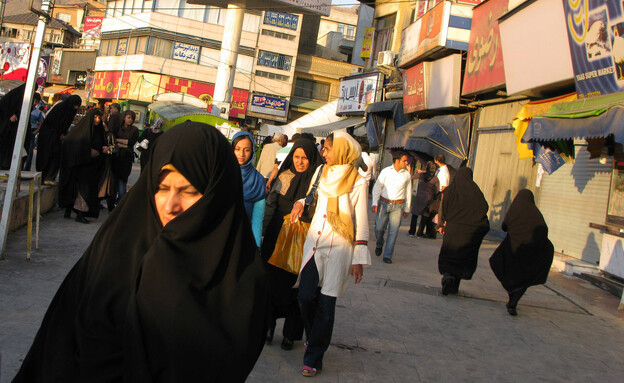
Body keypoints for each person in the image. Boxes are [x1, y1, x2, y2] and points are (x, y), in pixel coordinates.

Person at [12, 121, 268, 382]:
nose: (170, 205)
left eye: (189, 191)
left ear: (217, 193)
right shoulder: (114, 247)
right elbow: (59, 346)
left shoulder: (242, 281)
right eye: (162, 188)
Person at [290, 131, 370, 377]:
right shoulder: (320, 172)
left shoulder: (358, 180)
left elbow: (363, 221)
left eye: (327, 149)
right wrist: (301, 202)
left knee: (326, 304)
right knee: (305, 296)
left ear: (342, 150)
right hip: (315, 242)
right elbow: (314, 197)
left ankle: (313, 356)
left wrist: (359, 258)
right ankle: (315, 337)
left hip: (339, 247)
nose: (323, 153)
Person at [261, 137, 323, 350]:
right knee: (270, 286)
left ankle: (290, 334)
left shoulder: (317, 181)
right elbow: (270, 206)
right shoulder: (283, 176)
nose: (300, 162)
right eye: (296, 157)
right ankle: (267, 327)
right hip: (275, 239)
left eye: (305, 158)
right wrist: (262, 233)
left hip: (302, 243)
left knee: (296, 289)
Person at [489, 189, 554, 316]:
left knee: (501, 263)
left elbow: (504, 226)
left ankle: (512, 297)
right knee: (525, 278)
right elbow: (543, 230)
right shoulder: (535, 212)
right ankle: (513, 301)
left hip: (515, 250)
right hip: (531, 253)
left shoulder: (515, 209)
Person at [437, 167, 490, 295]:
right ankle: (454, 286)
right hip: (469, 231)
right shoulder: (475, 191)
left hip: (453, 229)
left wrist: (440, 224)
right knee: (462, 256)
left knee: (450, 253)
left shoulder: (450, 191)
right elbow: (484, 207)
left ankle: (447, 277)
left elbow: (442, 208)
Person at [58, 109, 107, 224]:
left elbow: (102, 144)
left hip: (92, 166)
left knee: (85, 190)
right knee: (81, 190)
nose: (97, 120)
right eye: (95, 117)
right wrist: (85, 152)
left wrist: (103, 149)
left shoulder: (99, 131)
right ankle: (78, 213)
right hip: (80, 166)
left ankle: (74, 211)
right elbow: (70, 143)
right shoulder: (82, 130)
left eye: (99, 117)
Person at [371, 151, 412, 264]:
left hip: (398, 206)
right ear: (397, 161)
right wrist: (374, 202)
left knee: (393, 231)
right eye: (404, 160)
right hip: (384, 204)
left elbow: (408, 191)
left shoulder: (407, 175)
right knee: (379, 228)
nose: (406, 162)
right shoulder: (386, 172)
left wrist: (407, 208)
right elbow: (377, 187)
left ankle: (387, 255)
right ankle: (379, 244)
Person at [231, 131, 266, 247]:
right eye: (237, 149)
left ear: (252, 152)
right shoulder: (222, 174)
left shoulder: (258, 180)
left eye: (246, 150)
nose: (241, 154)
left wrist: (256, 246)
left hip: (243, 236)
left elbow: (257, 218)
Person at [36, 95, 82, 185]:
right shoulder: (61, 109)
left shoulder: (69, 110)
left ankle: (49, 177)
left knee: (56, 156)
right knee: (49, 156)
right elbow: (55, 122)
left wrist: (62, 133)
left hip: (55, 137)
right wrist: (59, 133)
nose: (76, 108)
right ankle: (45, 177)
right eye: (75, 105)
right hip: (49, 136)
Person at [0, 84, 40, 170]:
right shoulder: (16, 96)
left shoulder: (23, 97)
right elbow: (4, 107)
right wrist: (10, 115)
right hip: (8, 130)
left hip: (15, 129)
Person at [110, 110, 139, 206]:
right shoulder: (117, 128)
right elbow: (113, 139)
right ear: (124, 117)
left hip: (126, 158)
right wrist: (123, 143)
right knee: (113, 181)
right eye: (128, 117)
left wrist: (120, 143)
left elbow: (131, 142)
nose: (130, 120)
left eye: (132, 118)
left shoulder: (134, 130)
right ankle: (111, 202)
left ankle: (120, 203)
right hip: (116, 157)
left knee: (122, 181)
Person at [408, 161, 440, 239]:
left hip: (419, 198)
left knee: (414, 215)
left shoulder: (421, 175)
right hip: (428, 199)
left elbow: (411, 177)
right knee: (424, 217)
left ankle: (412, 232)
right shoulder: (435, 179)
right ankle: (420, 233)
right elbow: (437, 191)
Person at [24, 105, 45, 171]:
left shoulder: (38, 112)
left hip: (32, 132)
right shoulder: (24, 108)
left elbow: (41, 123)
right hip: (24, 132)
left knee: (29, 153)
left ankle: (26, 169)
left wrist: (35, 132)